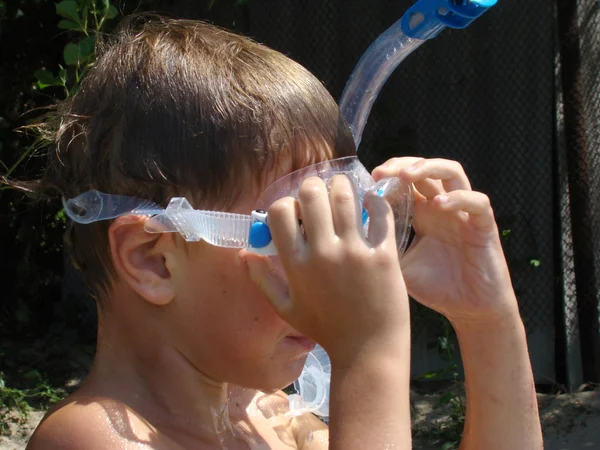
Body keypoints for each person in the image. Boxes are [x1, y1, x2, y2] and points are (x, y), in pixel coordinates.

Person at [22, 15, 543, 450]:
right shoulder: (88, 440)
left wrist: (487, 321)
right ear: (154, 259)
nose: (331, 259)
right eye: (296, 227)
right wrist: (369, 350)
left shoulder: (266, 418)